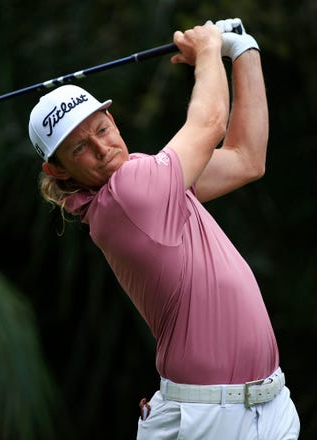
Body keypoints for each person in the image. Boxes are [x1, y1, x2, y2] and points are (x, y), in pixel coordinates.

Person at [27, 18, 300, 439]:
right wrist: (209, 49)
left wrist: (243, 50)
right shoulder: (128, 195)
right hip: (209, 419)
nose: (102, 148)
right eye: (80, 148)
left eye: (101, 129)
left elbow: (248, 158)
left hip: (270, 404)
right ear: (57, 169)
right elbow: (210, 126)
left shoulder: (148, 177)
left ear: (112, 119)